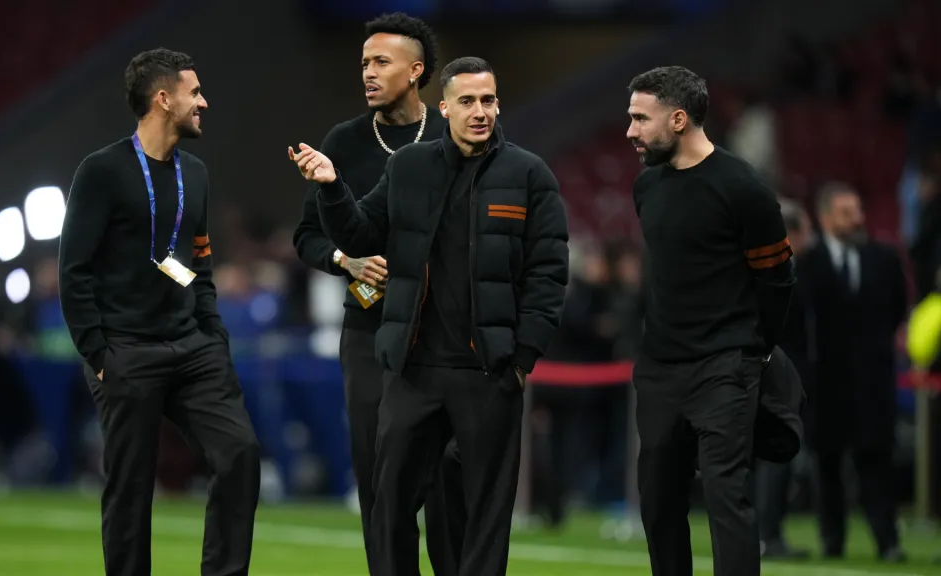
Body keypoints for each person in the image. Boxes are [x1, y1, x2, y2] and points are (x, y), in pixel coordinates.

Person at [289, 56, 569, 576]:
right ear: (445, 108)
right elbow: (359, 234)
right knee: (389, 504)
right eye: (467, 101)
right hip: (413, 369)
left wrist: (522, 357)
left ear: (498, 104)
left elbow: (549, 273)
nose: (479, 111)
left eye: (488, 100)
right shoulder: (409, 166)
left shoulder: (529, 173)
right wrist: (331, 187)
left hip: (488, 371)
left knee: (486, 516)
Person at [59, 48, 261, 576]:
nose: (204, 102)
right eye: (195, 93)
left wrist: (212, 332)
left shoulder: (195, 173)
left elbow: (199, 263)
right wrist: (100, 355)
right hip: (126, 351)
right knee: (130, 487)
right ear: (163, 98)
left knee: (239, 455)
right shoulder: (101, 171)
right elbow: (73, 271)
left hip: (192, 347)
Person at [290, 13, 464, 574]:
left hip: (441, 332)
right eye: (364, 62)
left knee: (444, 475)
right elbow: (307, 237)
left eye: (380, 62)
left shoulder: (451, 134)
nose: (367, 72)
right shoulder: (342, 141)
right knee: (378, 472)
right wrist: (347, 261)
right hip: (367, 330)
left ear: (416, 72)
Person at [626, 65, 795, 576]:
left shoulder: (744, 187)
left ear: (678, 119)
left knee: (727, 498)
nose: (629, 131)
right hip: (659, 370)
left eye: (640, 118)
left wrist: (754, 353)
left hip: (726, 366)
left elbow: (778, 282)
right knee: (658, 503)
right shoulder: (647, 186)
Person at [801, 182, 908, 562]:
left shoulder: (884, 258)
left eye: (858, 211)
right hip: (826, 386)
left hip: (873, 384)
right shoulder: (808, 264)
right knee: (827, 467)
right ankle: (833, 542)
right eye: (847, 213)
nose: (857, 219)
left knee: (878, 466)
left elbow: (897, 309)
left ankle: (888, 542)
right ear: (826, 217)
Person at [755, 197, 813, 559]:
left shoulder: (759, 265)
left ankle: (763, 534)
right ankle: (768, 536)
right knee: (775, 457)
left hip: (766, 370)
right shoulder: (782, 269)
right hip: (778, 374)